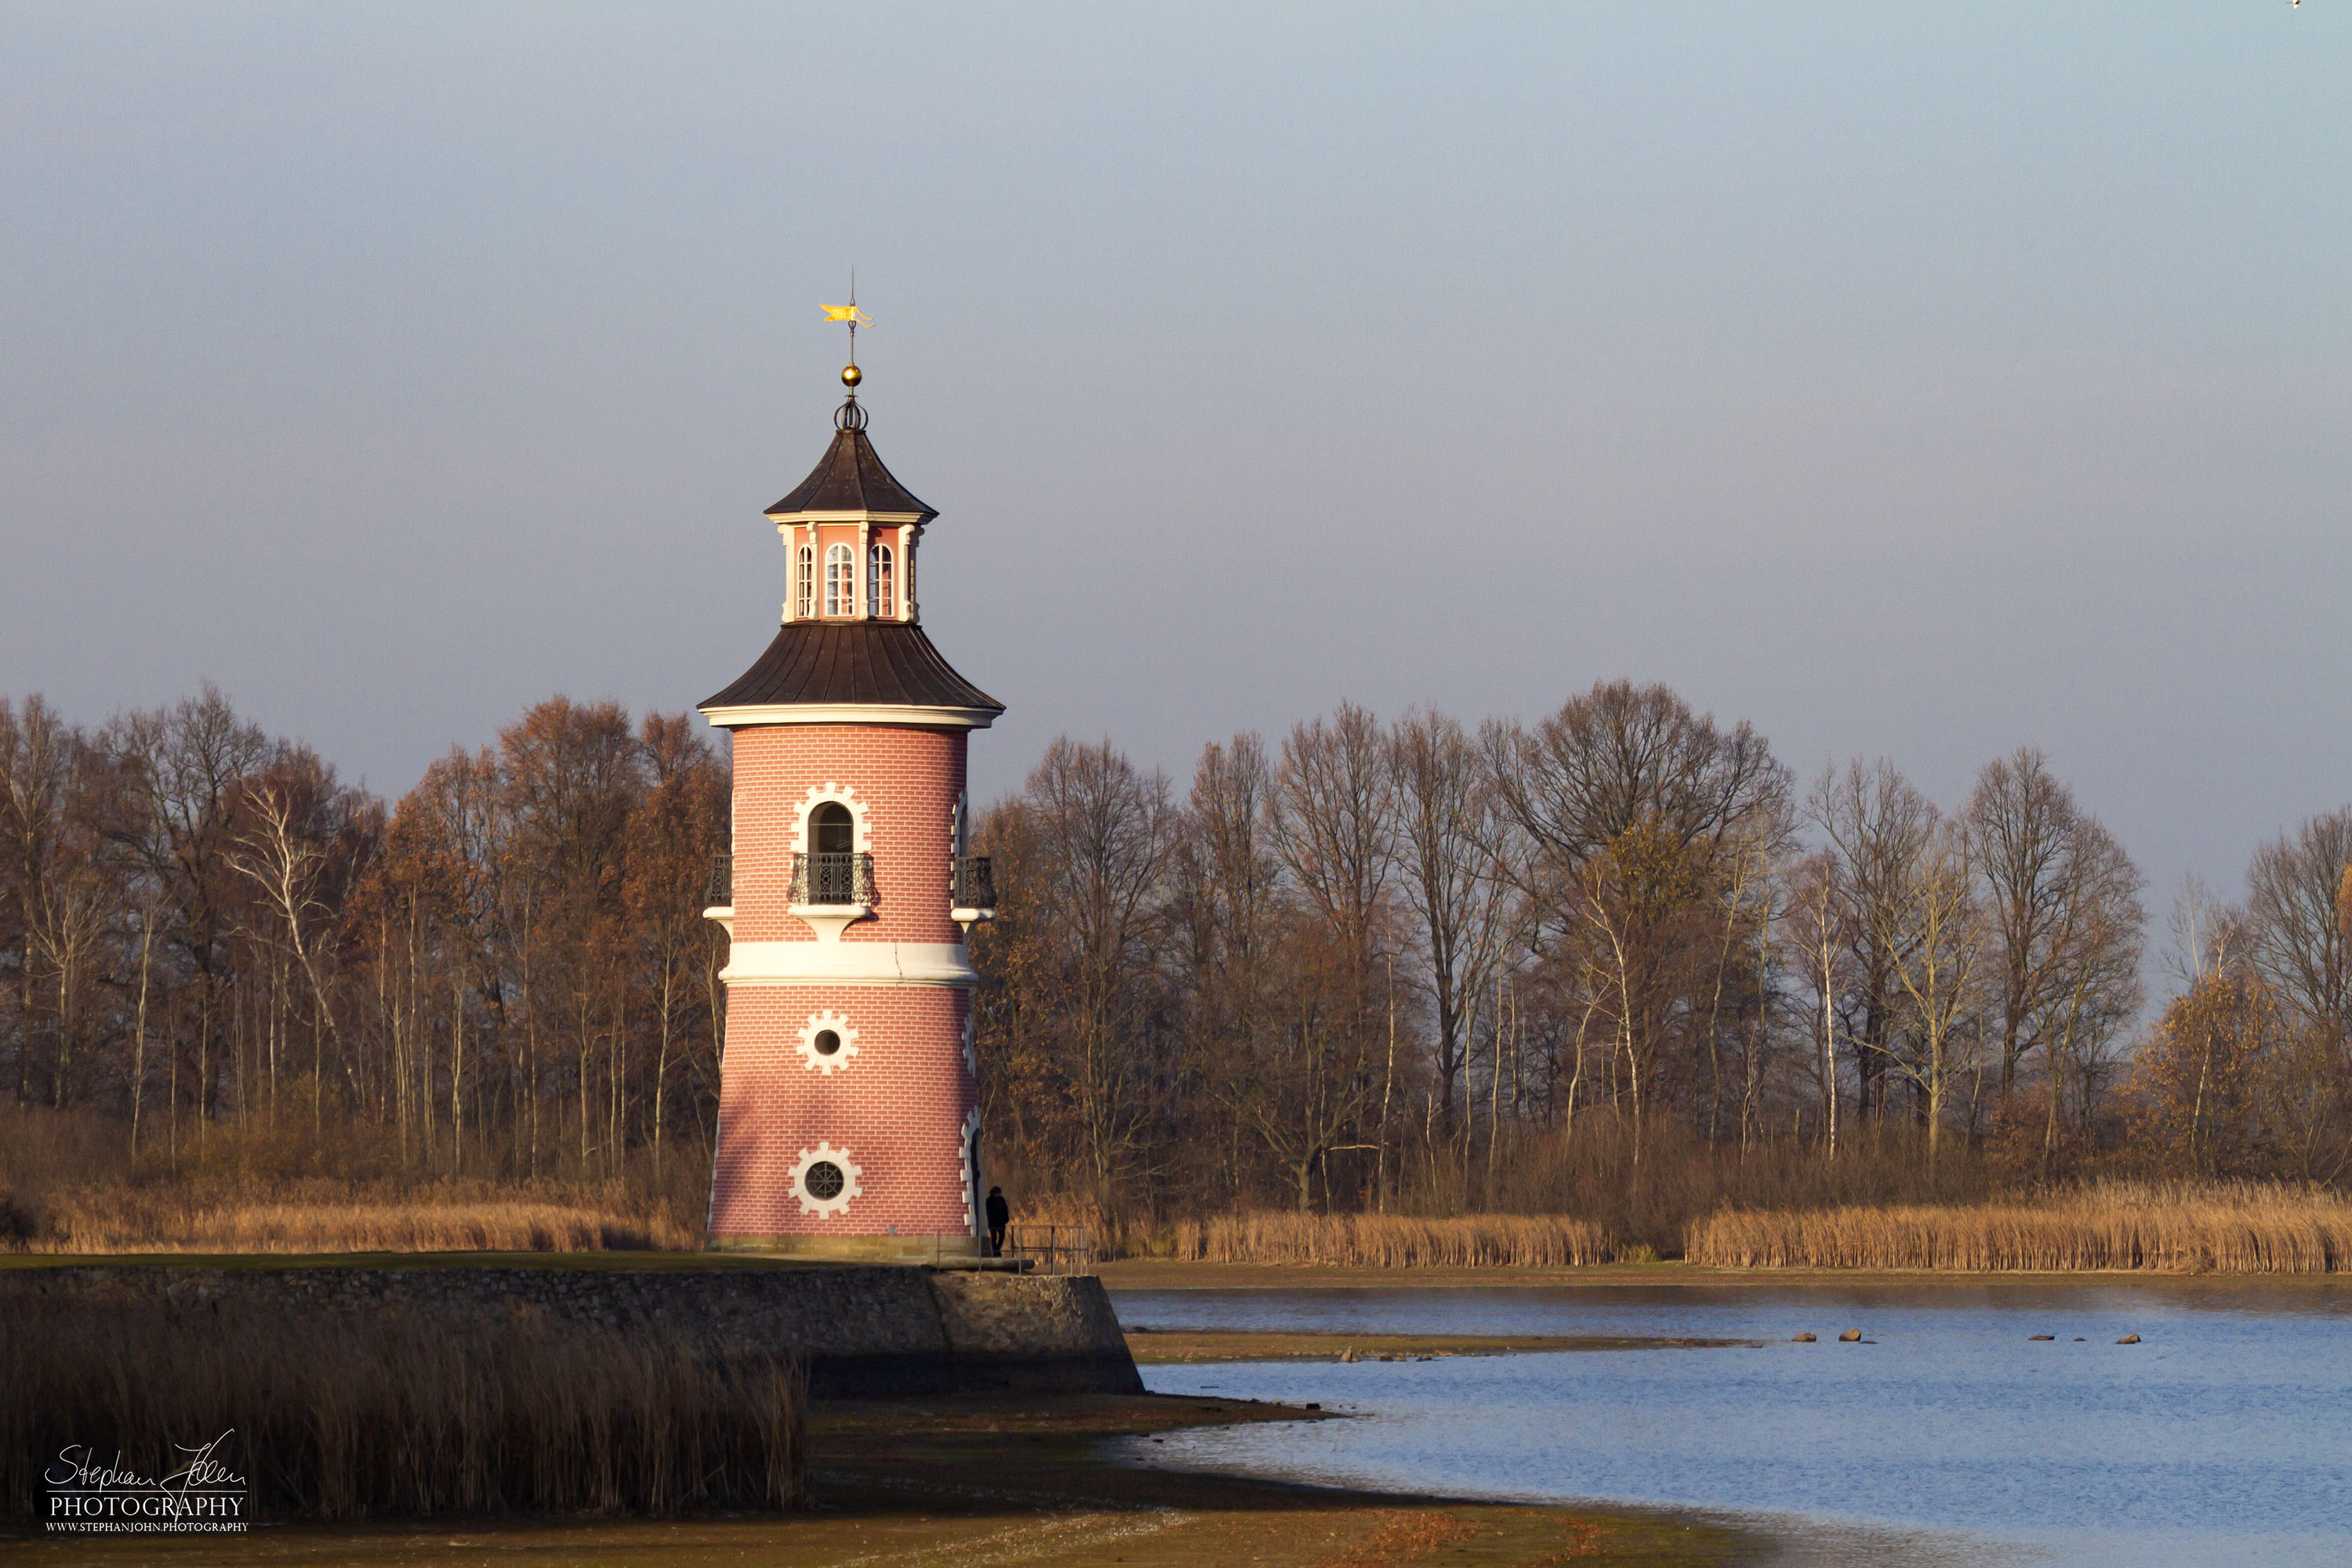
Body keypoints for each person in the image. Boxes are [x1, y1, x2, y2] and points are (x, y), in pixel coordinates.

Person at [985, 1185, 1010, 1258]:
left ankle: (997, 1250)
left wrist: (1006, 1218)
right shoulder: (989, 1200)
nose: (998, 1194)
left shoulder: (1001, 1199)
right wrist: (990, 1221)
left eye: (998, 1193)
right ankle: (996, 1252)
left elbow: (1005, 1209)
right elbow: (988, 1212)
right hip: (992, 1222)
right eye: (996, 1193)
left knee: (1002, 1236)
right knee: (994, 1237)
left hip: (1001, 1222)